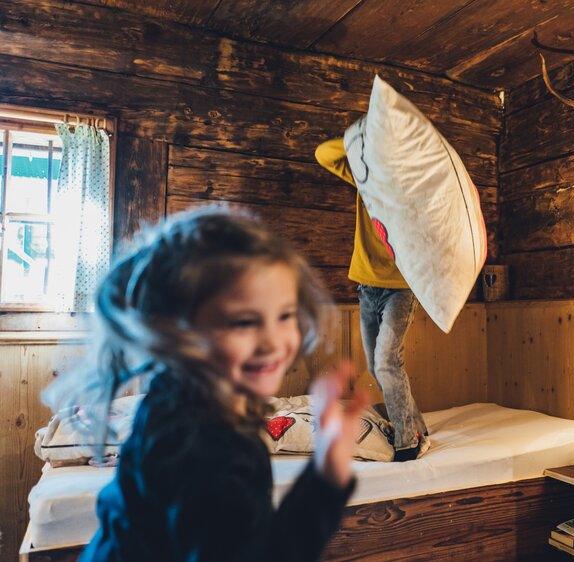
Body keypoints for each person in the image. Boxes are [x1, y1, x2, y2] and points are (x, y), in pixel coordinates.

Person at [44, 206, 366, 562]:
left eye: (285, 315)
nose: (274, 341)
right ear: (177, 331)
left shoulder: (182, 394)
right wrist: (327, 474)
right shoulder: (204, 452)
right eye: (244, 322)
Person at [315, 138, 429, 462]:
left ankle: (408, 443)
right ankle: (418, 425)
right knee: (376, 367)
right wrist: (363, 135)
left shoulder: (413, 192)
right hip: (366, 288)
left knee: (386, 362)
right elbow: (324, 154)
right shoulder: (366, 179)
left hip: (400, 290)